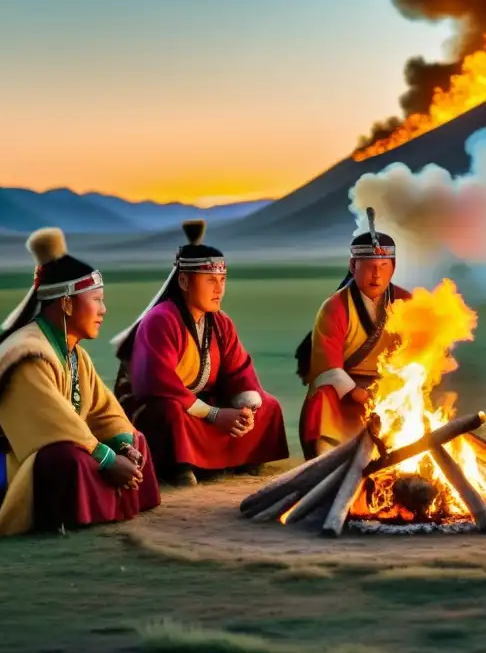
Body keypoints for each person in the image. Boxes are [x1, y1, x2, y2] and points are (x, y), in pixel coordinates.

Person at [0, 228, 160, 536]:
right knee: (67, 459)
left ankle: (106, 500)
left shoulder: (73, 353)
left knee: (134, 440)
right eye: (97, 300)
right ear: (66, 304)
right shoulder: (25, 356)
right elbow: (52, 425)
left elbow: (104, 410)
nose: (104, 311)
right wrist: (105, 457)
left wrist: (123, 446)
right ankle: (83, 511)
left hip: (32, 446)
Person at [111, 220, 289, 486]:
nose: (219, 289)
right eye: (210, 280)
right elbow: (158, 383)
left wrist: (245, 407)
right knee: (171, 414)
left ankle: (242, 457)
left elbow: (238, 369)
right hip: (155, 401)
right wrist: (215, 414)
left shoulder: (221, 322)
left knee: (268, 405)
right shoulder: (161, 320)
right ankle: (180, 465)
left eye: (222, 280)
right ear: (183, 280)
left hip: (201, 399)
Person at [295, 208, 411, 458]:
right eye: (369, 266)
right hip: (345, 390)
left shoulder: (406, 302)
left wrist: (398, 387)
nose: (377, 275)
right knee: (322, 395)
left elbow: (418, 354)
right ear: (352, 265)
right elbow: (327, 366)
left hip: (388, 388)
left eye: (383, 265)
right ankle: (325, 459)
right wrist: (358, 393)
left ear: (394, 267)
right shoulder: (335, 307)